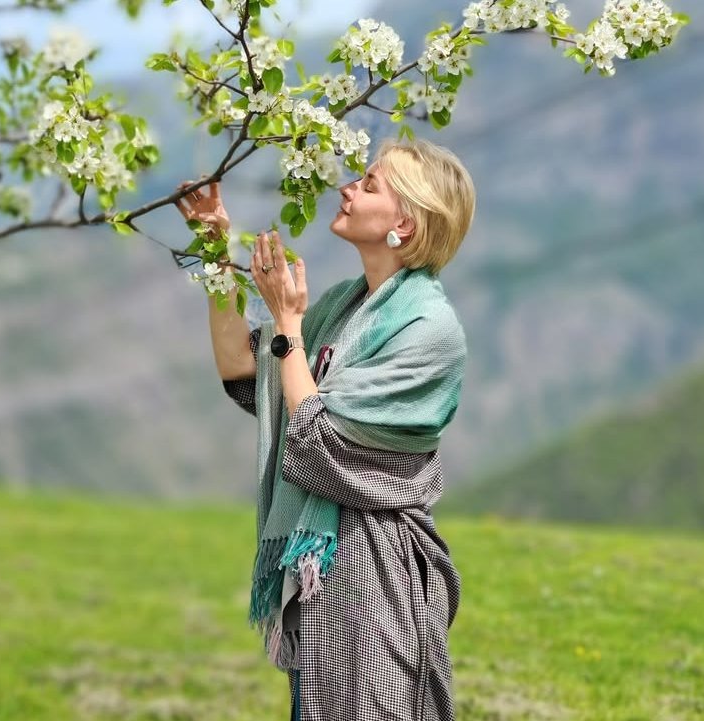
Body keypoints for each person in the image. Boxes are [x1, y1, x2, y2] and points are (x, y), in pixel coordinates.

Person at [174, 138, 475, 721]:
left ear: (405, 225)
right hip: (323, 560)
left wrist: (288, 326)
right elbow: (242, 367)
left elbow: (318, 442)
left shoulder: (430, 329)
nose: (347, 187)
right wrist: (215, 253)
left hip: (375, 568)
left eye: (369, 184)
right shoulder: (345, 305)